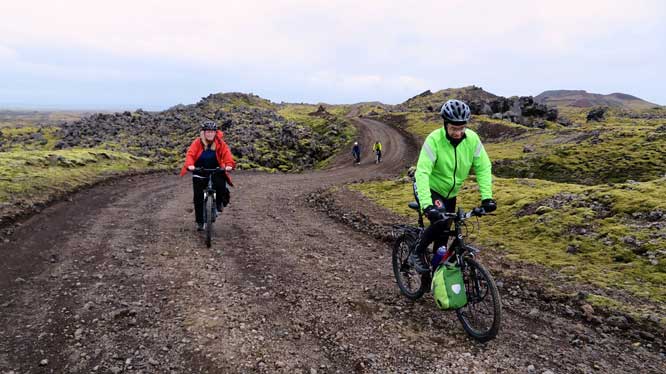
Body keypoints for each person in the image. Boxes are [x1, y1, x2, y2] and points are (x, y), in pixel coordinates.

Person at [408, 99, 497, 273]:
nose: (458, 132)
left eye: (462, 127)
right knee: (440, 220)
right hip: (430, 188)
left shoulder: (472, 140)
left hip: (450, 194)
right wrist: (427, 205)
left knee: (443, 239)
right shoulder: (434, 140)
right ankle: (416, 252)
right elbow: (423, 173)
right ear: (445, 124)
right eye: (454, 128)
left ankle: (436, 275)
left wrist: (487, 198)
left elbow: (483, 167)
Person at [180, 120, 236, 231]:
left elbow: (227, 154)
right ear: (203, 133)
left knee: (221, 185)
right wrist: (190, 165)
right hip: (199, 171)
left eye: (212, 131)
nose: (210, 134)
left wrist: (229, 164)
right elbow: (190, 154)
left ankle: (219, 204)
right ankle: (200, 222)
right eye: (207, 131)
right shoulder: (197, 142)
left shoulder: (220, 143)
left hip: (216, 170)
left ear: (215, 132)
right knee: (198, 197)